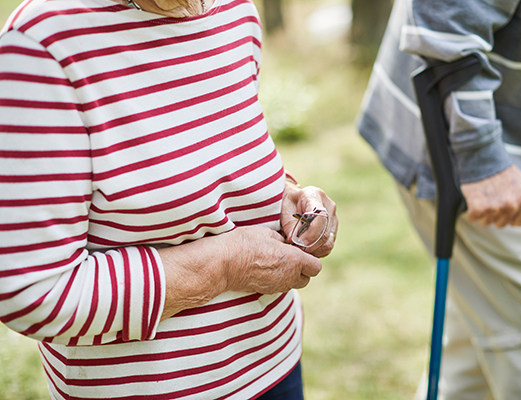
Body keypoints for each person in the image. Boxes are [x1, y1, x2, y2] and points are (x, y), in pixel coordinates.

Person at [0, 0, 338, 398]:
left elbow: (208, 155)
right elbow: (34, 291)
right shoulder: (41, 44)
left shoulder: (236, 11)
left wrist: (286, 195)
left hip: (275, 368)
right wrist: (225, 267)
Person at [358, 1, 521, 399]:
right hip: (473, 170)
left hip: (514, 164)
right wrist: (481, 157)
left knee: (477, 362)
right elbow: (443, 16)